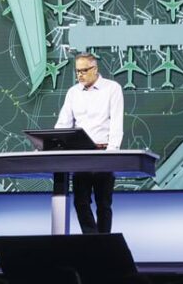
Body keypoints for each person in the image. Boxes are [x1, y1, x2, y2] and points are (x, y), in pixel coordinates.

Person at [55, 52, 124, 234]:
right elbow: (63, 124)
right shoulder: (73, 92)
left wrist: (111, 154)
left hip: (103, 154)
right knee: (80, 201)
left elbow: (117, 124)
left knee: (103, 204)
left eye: (84, 70)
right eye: (77, 71)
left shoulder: (112, 88)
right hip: (80, 156)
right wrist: (52, 143)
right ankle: (92, 240)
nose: (80, 75)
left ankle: (104, 244)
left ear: (95, 69)